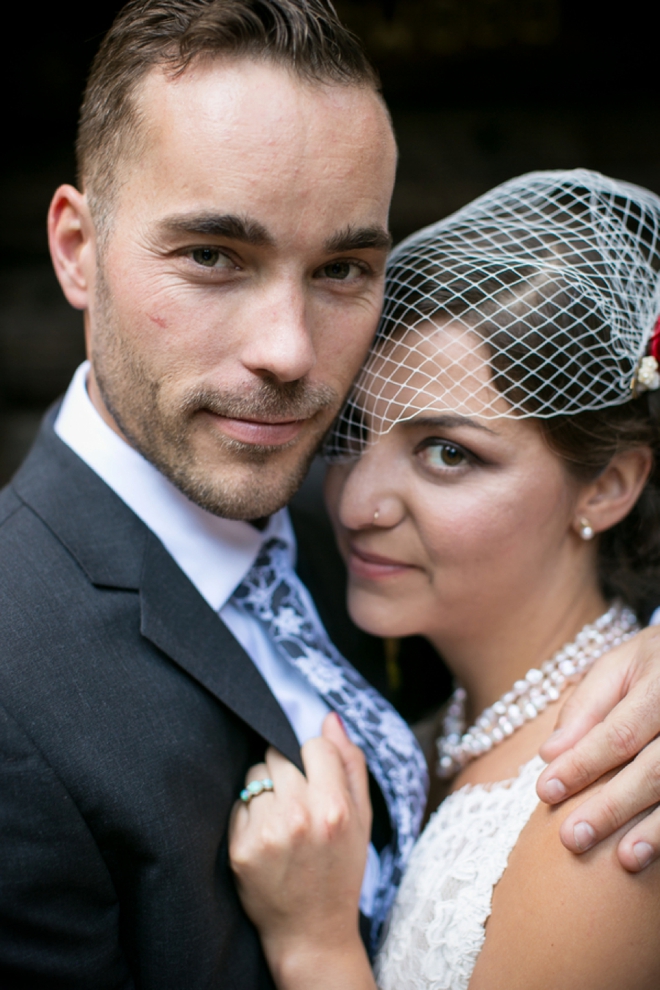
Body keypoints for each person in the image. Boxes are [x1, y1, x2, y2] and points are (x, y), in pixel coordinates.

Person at [0, 1, 658, 984]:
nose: (289, 353)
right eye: (214, 257)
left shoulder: (337, 537)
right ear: (74, 248)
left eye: (344, 268)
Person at [229, 170, 660, 990]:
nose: (356, 502)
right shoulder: (437, 731)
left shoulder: (615, 809)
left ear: (607, 487)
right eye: (352, 434)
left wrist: (315, 947)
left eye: (448, 453)